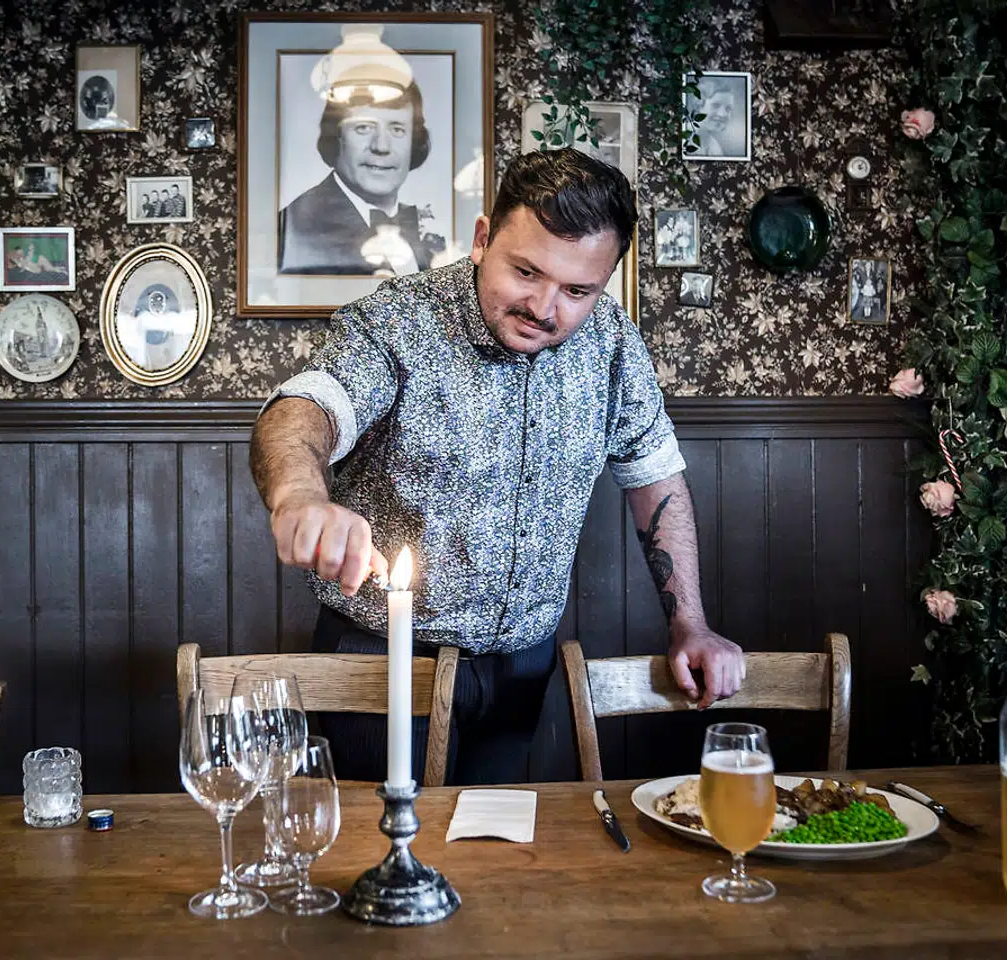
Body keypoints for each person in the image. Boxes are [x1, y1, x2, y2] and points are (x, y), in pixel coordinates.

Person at [252, 149, 745, 786]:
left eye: (577, 290)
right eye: (526, 272)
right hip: (385, 657)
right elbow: (306, 407)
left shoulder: (615, 343)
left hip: (524, 665)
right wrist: (298, 496)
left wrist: (691, 624)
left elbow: (657, 479)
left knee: (495, 855)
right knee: (384, 856)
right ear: (484, 239)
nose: (545, 307)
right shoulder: (398, 321)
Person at [278, 80, 441, 276]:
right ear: (335, 137)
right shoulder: (291, 228)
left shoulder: (426, 227)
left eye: (397, 130)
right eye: (363, 127)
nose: (381, 146)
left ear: (415, 142)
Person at [688, 77, 738, 157]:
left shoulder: (715, 148)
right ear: (699, 105)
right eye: (716, 105)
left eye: (728, 109)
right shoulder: (684, 139)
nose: (722, 114)